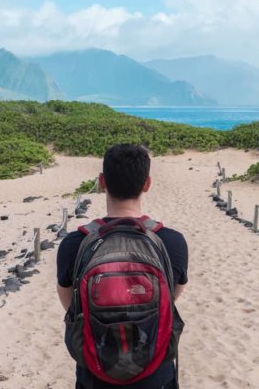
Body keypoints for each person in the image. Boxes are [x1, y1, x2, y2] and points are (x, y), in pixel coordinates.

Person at [56, 144, 189, 389]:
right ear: (147, 184)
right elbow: (170, 297)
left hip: (95, 372)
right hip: (155, 371)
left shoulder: (74, 244)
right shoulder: (172, 242)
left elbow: (71, 305)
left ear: (102, 182)